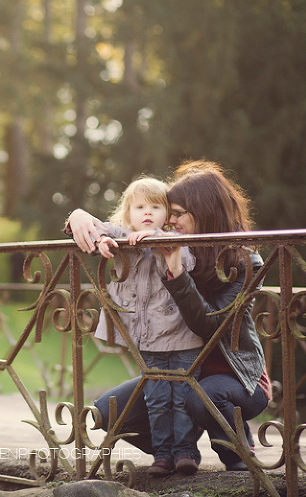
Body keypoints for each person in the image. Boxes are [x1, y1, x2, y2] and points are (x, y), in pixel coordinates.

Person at [66, 160, 271, 473]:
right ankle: (172, 452)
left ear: (205, 212)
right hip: (175, 363)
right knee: (107, 414)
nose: (170, 220)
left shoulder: (244, 259)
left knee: (203, 398)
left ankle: (236, 450)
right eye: (169, 212)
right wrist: (78, 217)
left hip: (234, 377)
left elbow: (209, 325)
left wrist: (176, 270)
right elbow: (122, 227)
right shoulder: (169, 244)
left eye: (177, 213)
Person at [87, 177, 204, 476]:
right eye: (140, 207)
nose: (147, 213)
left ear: (167, 214)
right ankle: (162, 456)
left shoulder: (174, 239)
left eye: (155, 206)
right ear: (128, 213)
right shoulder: (124, 235)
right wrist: (102, 240)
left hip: (183, 338)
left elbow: (187, 262)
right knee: (157, 400)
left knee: (183, 399)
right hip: (148, 341)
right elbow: (97, 226)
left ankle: (186, 453)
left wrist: (159, 240)